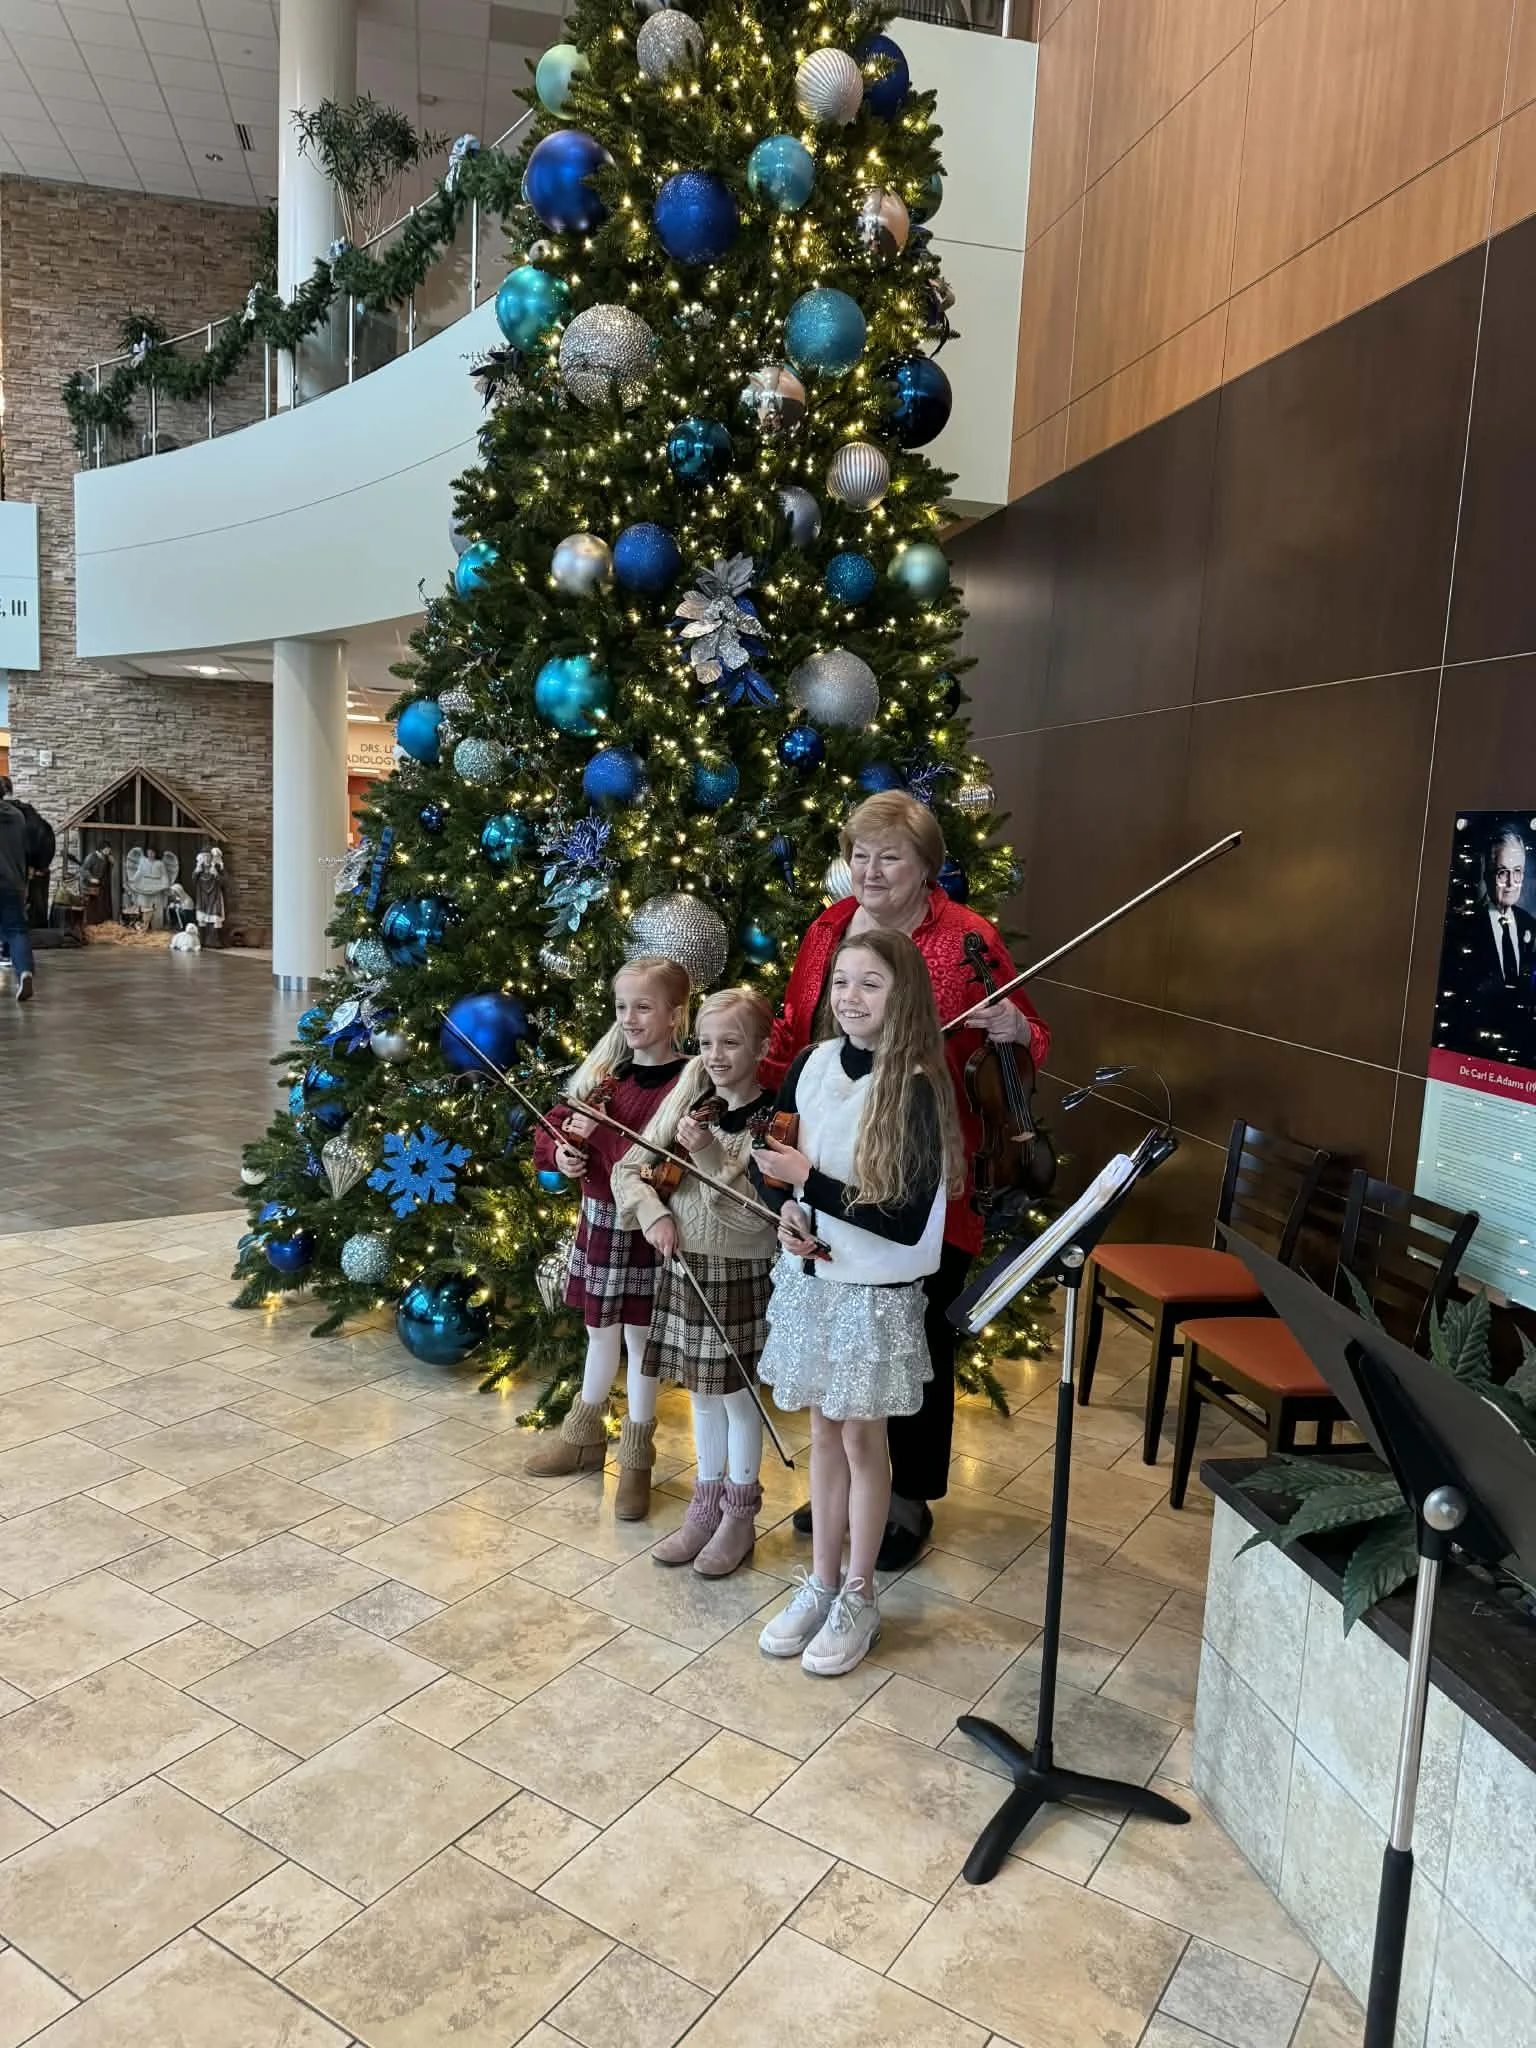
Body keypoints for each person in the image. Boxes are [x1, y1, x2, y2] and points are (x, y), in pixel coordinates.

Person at [760, 791, 1050, 1568]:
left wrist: (1017, 1030)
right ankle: (848, 1489)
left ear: (927, 867)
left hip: (919, 1156)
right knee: (836, 1333)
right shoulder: (827, 929)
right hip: (825, 1145)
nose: (871, 870)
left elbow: (1029, 1038)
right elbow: (797, 1030)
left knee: (911, 1335)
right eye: (860, 853)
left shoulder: (966, 939)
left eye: (891, 857)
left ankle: (905, 1498)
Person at [751, 929, 962, 1676]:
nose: (850, 997)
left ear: (901, 994)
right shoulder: (809, 1065)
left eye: (870, 983)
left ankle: (861, 1594)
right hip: (811, 1279)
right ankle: (821, 1581)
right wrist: (785, 1208)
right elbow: (774, 1164)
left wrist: (808, 1182)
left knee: (862, 1441)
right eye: (842, 982)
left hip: (874, 1288)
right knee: (823, 1429)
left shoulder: (915, 1084)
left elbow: (902, 1215)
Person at [612, 988, 778, 1577]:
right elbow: (627, 1169)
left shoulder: (771, 1121)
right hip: (682, 1269)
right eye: (706, 1043)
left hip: (736, 1272)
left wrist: (706, 1155)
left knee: (738, 1397)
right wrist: (654, 1213)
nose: (715, 1055)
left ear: (763, 1046)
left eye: (731, 1043)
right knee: (701, 1393)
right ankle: (704, 1505)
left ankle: (740, 1513)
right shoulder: (692, 1106)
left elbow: (750, 1212)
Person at [529, 956, 692, 1517]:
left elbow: (657, 1163)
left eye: (643, 1007)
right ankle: (583, 1434)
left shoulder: (686, 1084)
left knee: (641, 1343)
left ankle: (639, 1456)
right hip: (599, 1219)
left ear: (675, 1015)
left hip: (645, 1225)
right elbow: (551, 1128)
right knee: (599, 1331)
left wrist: (605, 1140)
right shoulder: (605, 1077)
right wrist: (564, 1152)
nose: (629, 1017)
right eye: (622, 1006)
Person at [1440, 825, 1536, 1066]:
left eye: (1518, 872)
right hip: (1474, 1058)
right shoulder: (1464, 928)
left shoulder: (1531, 926)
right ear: (1487, 873)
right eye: (1503, 872)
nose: (1511, 883)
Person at [0, 776, 53, 939]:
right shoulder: (22, 815)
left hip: (12, 870)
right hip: (17, 875)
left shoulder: (19, 816)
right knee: (16, 921)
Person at [0, 785, 36, 1002]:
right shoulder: (18, 817)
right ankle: (25, 973)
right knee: (16, 930)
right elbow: (26, 849)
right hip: (13, 882)